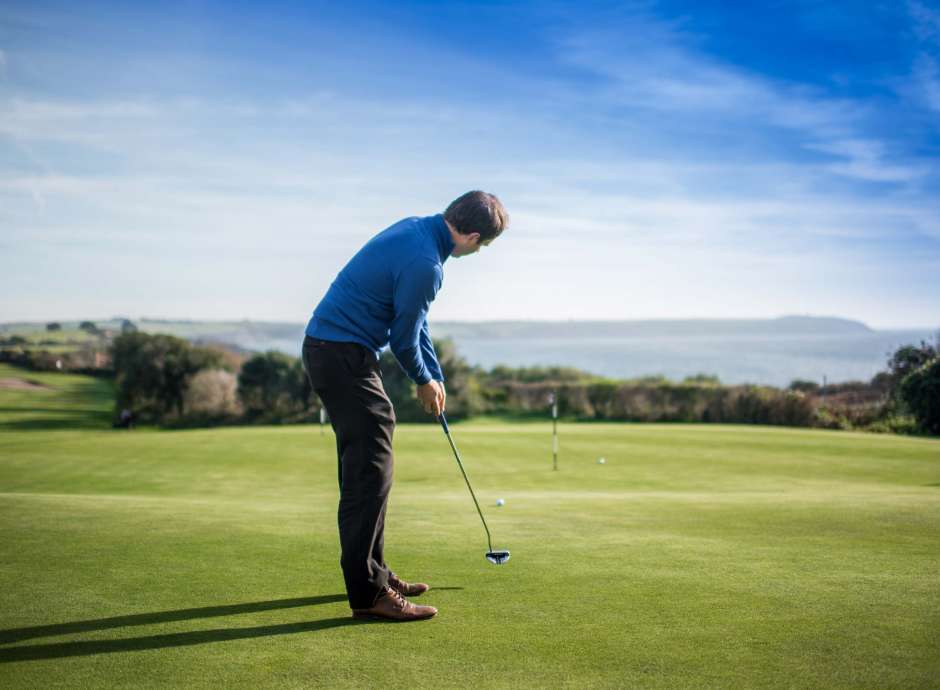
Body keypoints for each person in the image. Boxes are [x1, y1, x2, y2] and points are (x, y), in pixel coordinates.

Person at [302, 191, 508, 621]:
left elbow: (415, 322)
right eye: (481, 245)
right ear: (471, 236)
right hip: (341, 354)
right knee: (370, 470)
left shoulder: (418, 230)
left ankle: (373, 573)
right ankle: (368, 592)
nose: (476, 251)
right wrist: (422, 380)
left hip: (336, 350)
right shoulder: (427, 264)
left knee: (370, 465)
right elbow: (402, 338)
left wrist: (435, 376)